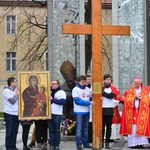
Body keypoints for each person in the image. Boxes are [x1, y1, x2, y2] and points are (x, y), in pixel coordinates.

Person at [120, 76, 150, 148]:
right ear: (133, 83)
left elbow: (147, 101)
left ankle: (140, 143)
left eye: (138, 83)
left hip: (141, 113)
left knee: (140, 128)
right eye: (135, 83)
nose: (136, 85)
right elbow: (126, 101)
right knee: (133, 129)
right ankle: (132, 144)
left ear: (140, 83)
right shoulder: (130, 91)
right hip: (132, 112)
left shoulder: (144, 92)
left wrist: (140, 99)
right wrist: (133, 99)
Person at [72, 75, 95, 150]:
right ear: (78, 82)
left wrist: (94, 95)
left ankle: (86, 143)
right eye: (82, 82)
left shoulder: (88, 89)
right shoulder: (75, 89)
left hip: (86, 111)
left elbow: (91, 98)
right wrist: (88, 103)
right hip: (79, 111)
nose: (84, 83)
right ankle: (79, 144)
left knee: (85, 128)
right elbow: (77, 101)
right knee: (79, 129)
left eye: (85, 82)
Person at [102, 74, 122, 149]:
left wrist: (103, 94)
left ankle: (107, 143)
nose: (108, 81)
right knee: (102, 127)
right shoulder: (101, 87)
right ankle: (101, 142)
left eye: (109, 79)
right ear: (104, 80)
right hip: (101, 108)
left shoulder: (113, 88)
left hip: (110, 108)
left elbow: (111, 96)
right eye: (107, 79)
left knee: (109, 127)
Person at [47, 80, 66, 150]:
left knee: (57, 130)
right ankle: (51, 145)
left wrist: (53, 100)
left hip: (57, 113)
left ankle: (57, 145)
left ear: (58, 85)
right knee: (51, 130)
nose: (53, 85)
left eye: (54, 84)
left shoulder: (61, 92)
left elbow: (62, 102)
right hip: (49, 113)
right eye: (52, 84)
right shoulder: (50, 92)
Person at [2, 77, 19, 150]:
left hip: (16, 113)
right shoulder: (6, 91)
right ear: (11, 83)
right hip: (9, 114)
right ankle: (8, 147)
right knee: (9, 131)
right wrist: (16, 95)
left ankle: (13, 146)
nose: (16, 83)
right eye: (15, 82)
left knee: (15, 131)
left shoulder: (15, 90)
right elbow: (12, 101)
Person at [85, 74, 92, 143]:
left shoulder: (91, 87)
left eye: (90, 79)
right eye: (88, 79)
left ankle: (90, 138)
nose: (89, 81)